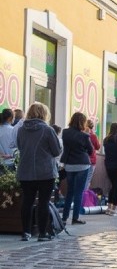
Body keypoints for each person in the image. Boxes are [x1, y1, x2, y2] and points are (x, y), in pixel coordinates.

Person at [15, 102, 61, 241]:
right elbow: (56, 150)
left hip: (25, 170)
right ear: (44, 114)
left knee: (27, 201)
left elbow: (19, 146)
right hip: (45, 172)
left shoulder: (21, 129)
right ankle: (42, 233)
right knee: (43, 202)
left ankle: (26, 232)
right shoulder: (47, 130)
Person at [60, 112, 94, 225]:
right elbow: (91, 150)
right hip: (82, 164)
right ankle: (75, 218)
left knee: (69, 191)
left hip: (69, 164)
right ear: (82, 122)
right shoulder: (84, 136)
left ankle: (64, 218)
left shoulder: (65, 132)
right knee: (78, 192)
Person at [102, 122, 117, 216]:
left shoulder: (106, 140)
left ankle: (109, 206)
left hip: (108, 165)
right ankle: (114, 208)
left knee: (113, 185)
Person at [84, 118, 100, 191]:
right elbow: (97, 147)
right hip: (91, 160)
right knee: (87, 180)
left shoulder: (81, 134)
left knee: (81, 180)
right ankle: (84, 198)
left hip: (81, 160)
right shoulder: (93, 136)